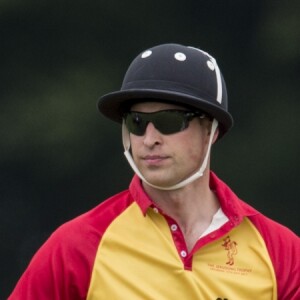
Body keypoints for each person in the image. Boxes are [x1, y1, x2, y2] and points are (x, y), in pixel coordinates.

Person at [9, 43, 299, 300]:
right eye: (137, 122)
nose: (149, 140)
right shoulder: (77, 245)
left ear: (211, 130)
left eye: (169, 121)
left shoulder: (281, 252)